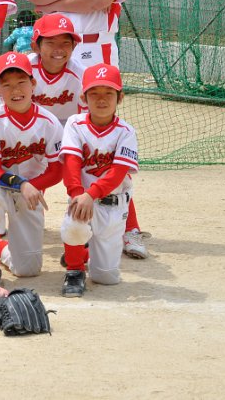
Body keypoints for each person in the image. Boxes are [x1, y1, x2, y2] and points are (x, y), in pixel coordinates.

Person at [22, 0, 147, 259]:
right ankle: (27, 219)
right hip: (55, 50)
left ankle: (128, 227)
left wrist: (54, 2)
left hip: (96, 53)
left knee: (103, 144)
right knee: (38, 135)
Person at [0, 52, 64, 286]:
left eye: (21, 82)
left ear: (33, 84)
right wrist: (21, 184)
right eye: (7, 85)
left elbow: (57, 171)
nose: (15, 90)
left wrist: (31, 186)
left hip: (30, 191)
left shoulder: (50, 123)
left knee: (28, 269)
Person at [59, 63, 139, 297]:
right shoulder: (75, 124)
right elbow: (71, 163)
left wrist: (91, 194)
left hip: (113, 206)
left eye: (108, 93)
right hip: (83, 201)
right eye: (94, 93)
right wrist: (77, 195)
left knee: (106, 277)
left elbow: (118, 172)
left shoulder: (126, 131)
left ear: (120, 97)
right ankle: (74, 269)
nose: (101, 99)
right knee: (74, 224)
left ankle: (84, 253)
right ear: (83, 97)